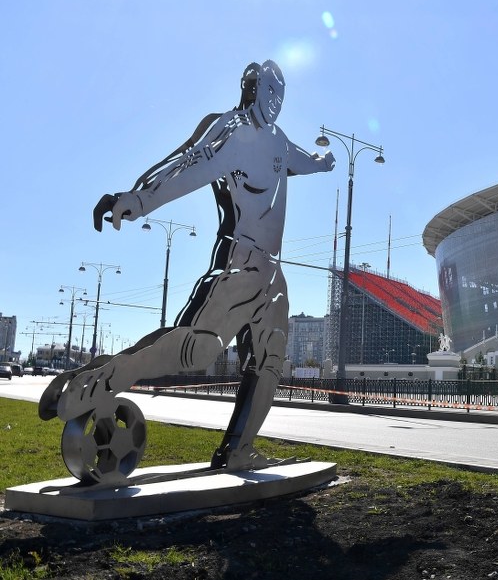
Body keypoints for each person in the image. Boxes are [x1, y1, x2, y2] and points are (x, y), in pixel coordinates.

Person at [40, 60, 335, 471]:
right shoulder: (231, 132)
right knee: (198, 349)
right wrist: (137, 199)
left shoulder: (279, 141)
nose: (273, 103)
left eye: (279, 95)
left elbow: (299, 159)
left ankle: (238, 450)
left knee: (270, 358)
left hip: (272, 274)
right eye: (266, 91)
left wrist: (322, 163)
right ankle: (89, 383)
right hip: (240, 263)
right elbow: (187, 165)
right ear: (250, 88)